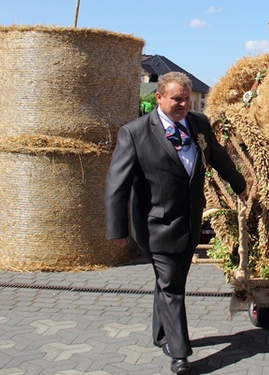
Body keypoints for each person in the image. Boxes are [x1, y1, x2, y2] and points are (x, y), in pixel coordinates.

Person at [105, 71, 247, 374]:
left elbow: (218, 156)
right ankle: (180, 354)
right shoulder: (135, 133)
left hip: (189, 222)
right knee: (172, 286)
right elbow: (117, 184)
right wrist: (117, 229)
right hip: (156, 224)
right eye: (177, 99)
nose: (183, 104)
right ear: (159, 98)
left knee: (170, 281)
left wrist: (240, 185)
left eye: (186, 98)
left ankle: (160, 334)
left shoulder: (198, 124)